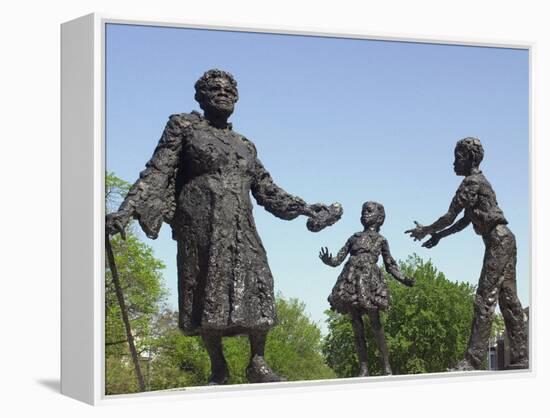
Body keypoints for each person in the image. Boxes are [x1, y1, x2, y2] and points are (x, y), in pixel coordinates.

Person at [106, 69, 342, 385]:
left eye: (230, 90)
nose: (223, 94)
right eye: (215, 89)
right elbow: (157, 171)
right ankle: (218, 366)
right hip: (201, 225)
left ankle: (257, 361)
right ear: (200, 97)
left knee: (260, 282)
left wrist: (305, 208)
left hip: (241, 224)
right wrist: (124, 212)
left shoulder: (245, 144)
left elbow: (267, 190)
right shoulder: (184, 127)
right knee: (207, 287)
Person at [405, 137, 528, 370]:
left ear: (470, 158)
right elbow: (464, 221)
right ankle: (521, 357)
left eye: (458, 157)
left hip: (498, 241)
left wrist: (427, 229)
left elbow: (450, 216)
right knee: (508, 300)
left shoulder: (471, 183)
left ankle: (472, 360)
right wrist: (439, 236)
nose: (454, 163)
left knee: (484, 298)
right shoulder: (480, 183)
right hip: (505, 239)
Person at [320, 201, 414, 376]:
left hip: (370, 282)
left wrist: (403, 279)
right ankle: (363, 367)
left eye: (369, 211)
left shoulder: (381, 240)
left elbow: (390, 265)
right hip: (350, 281)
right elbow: (338, 259)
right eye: (363, 211)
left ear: (379, 218)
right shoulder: (353, 238)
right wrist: (329, 260)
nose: (364, 214)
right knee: (356, 325)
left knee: (376, 324)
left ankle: (386, 366)